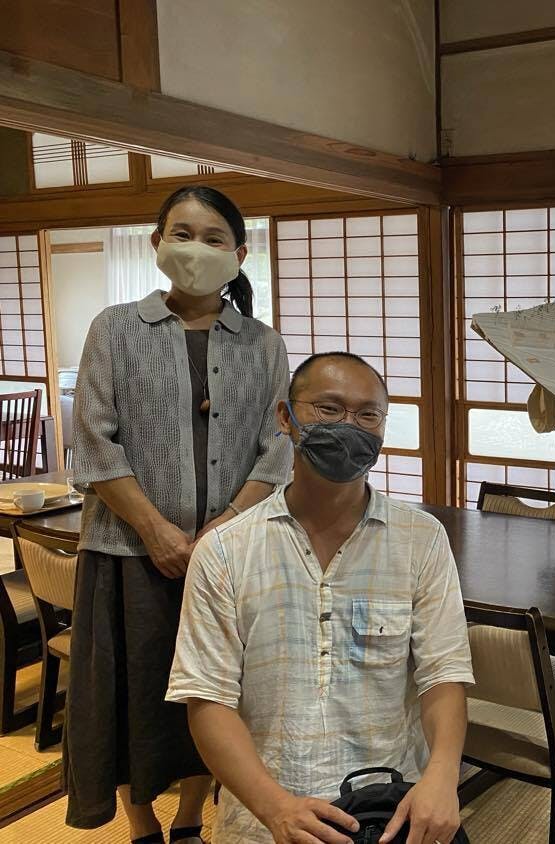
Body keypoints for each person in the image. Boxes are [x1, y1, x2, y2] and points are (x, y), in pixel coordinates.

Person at [167, 352, 474, 844]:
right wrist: (276, 809)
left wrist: (442, 776)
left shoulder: (422, 539)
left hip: (391, 808)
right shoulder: (225, 551)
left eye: (367, 415)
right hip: (263, 817)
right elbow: (207, 699)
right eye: (328, 409)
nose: (348, 426)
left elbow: (443, 674)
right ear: (286, 417)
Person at [67, 185, 292, 842]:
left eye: (214, 237)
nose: (196, 249)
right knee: (132, 695)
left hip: (230, 559)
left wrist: (223, 529)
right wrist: (155, 530)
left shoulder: (263, 344)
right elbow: (94, 441)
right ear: (157, 244)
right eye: (182, 234)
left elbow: (278, 447)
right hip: (127, 554)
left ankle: (191, 818)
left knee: (216, 690)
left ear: (240, 253)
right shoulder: (115, 328)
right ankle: (141, 824)